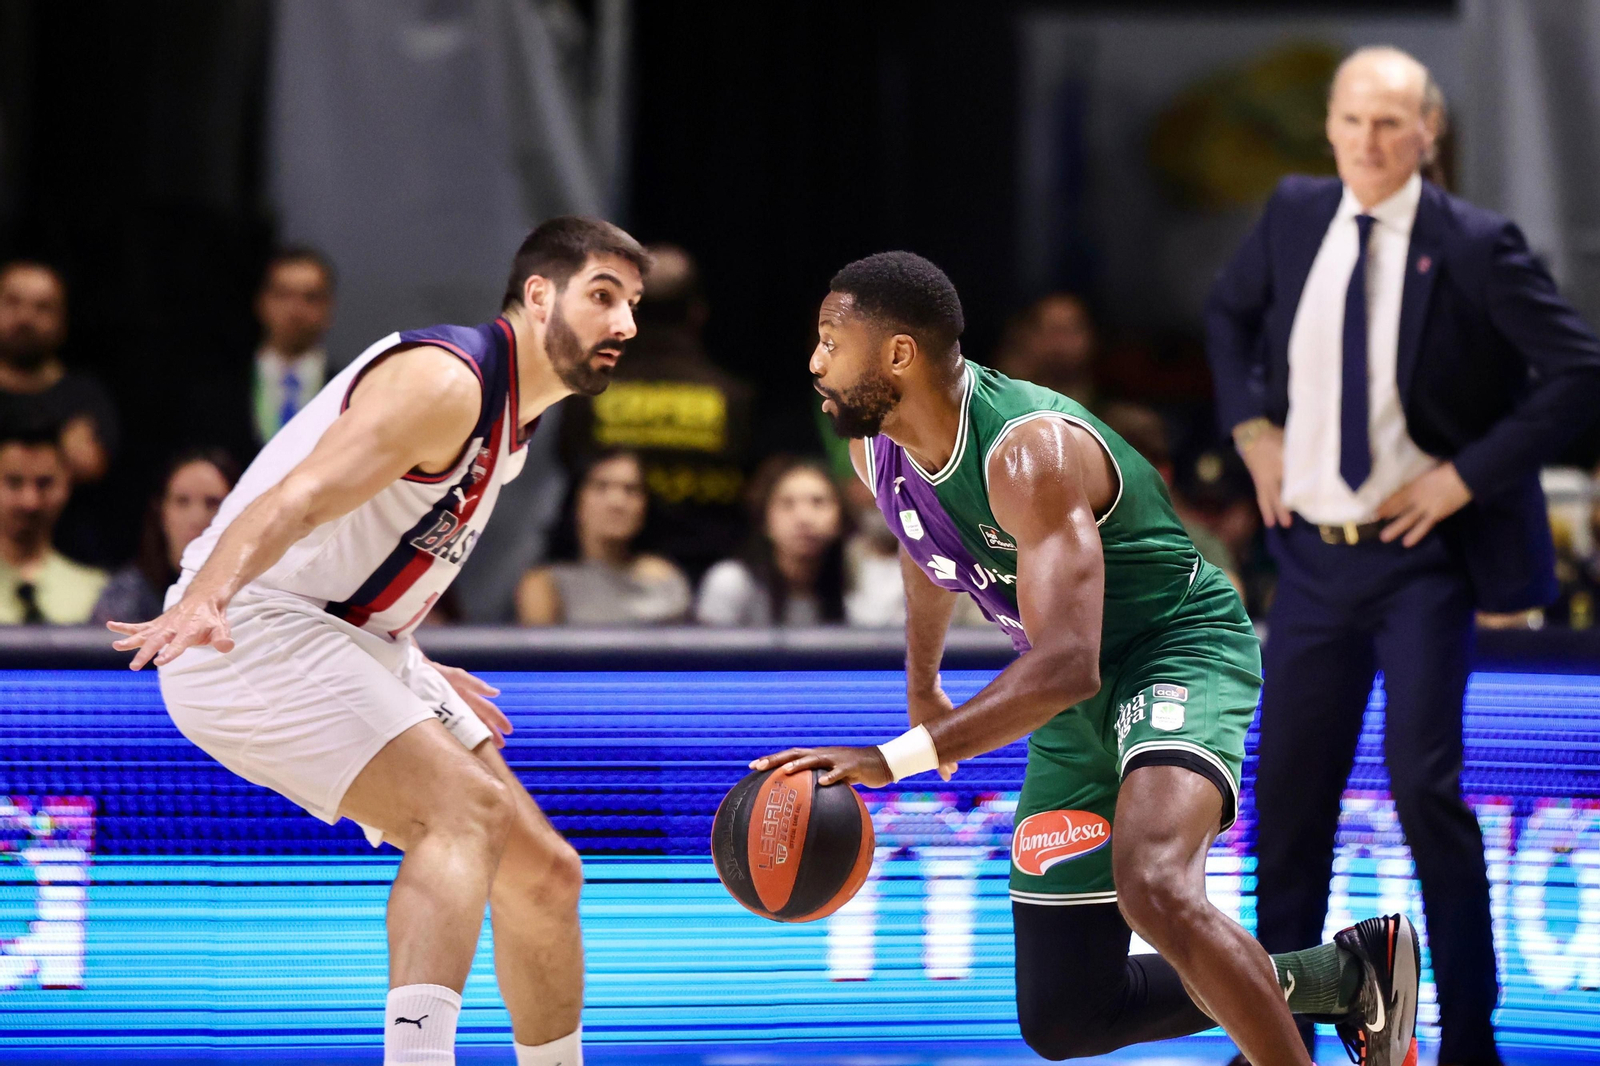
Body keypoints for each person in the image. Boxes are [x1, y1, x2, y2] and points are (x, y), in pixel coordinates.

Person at [754, 251, 1418, 1066]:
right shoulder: (874, 450)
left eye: (830, 341)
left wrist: (896, 759)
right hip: (1071, 701)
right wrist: (922, 683)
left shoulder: (1029, 451)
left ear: (898, 355)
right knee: (1066, 1015)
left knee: (1153, 886)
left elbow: (1069, 664)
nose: (815, 361)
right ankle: (1347, 975)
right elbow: (924, 546)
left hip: (1174, 650)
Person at [106, 216, 651, 1066]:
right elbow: (298, 498)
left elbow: (360, 557)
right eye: (604, 297)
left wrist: (409, 660)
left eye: (634, 305)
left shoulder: (512, 423)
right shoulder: (448, 381)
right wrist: (206, 598)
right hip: (249, 627)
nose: (625, 325)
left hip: (348, 636)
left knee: (546, 877)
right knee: (463, 814)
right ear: (538, 295)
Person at [1206, 46, 1600, 1066]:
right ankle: (1277, 1038)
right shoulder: (1294, 213)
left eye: (1390, 123)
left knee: (1424, 785)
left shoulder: (1473, 242)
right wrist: (1251, 430)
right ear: (1328, 128)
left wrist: (1463, 476)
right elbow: (1225, 313)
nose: (1368, 143)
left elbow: (1576, 371)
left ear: (1429, 132)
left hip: (1418, 558)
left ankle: (1471, 1037)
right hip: (1311, 564)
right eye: (1350, 121)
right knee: (1289, 797)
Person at [560, 244, 755, 578]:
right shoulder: (734, 399)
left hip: (611, 577)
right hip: (708, 575)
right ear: (698, 312)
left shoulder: (587, 393)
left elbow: (567, 464)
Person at [0, 261, 121, 563]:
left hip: (69, 560)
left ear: (63, 321)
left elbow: (90, 464)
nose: (25, 317)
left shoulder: (85, 396)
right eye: (13, 302)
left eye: (42, 308)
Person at [516, 448, 690, 625]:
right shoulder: (546, 585)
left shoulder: (664, 577)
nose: (617, 502)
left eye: (631, 490)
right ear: (576, 500)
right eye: (601, 487)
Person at [695, 454, 847, 627]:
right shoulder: (731, 583)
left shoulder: (855, 588)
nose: (804, 518)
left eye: (818, 502)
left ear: (841, 518)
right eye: (787, 503)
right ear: (765, 521)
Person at [91, 449, 240, 626]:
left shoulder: (258, 594)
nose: (197, 518)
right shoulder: (125, 596)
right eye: (182, 501)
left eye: (213, 503)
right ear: (161, 512)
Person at [0, 423, 107, 624]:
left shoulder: (97, 592)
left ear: (67, 484)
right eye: (14, 482)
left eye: (44, 483)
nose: (30, 501)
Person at [252, 248, 337, 449]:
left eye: (310, 297)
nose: (295, 310)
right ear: (262, 302)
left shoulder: (352, 389)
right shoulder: (218, 388)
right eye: (283, 295)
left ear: (329, 307)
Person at [992, 292, 1099, 407]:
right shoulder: (997, 398)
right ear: (1025, 335)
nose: (1061, 342)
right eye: (1053, 330)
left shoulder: (1110, 412)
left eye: (1071, 331)